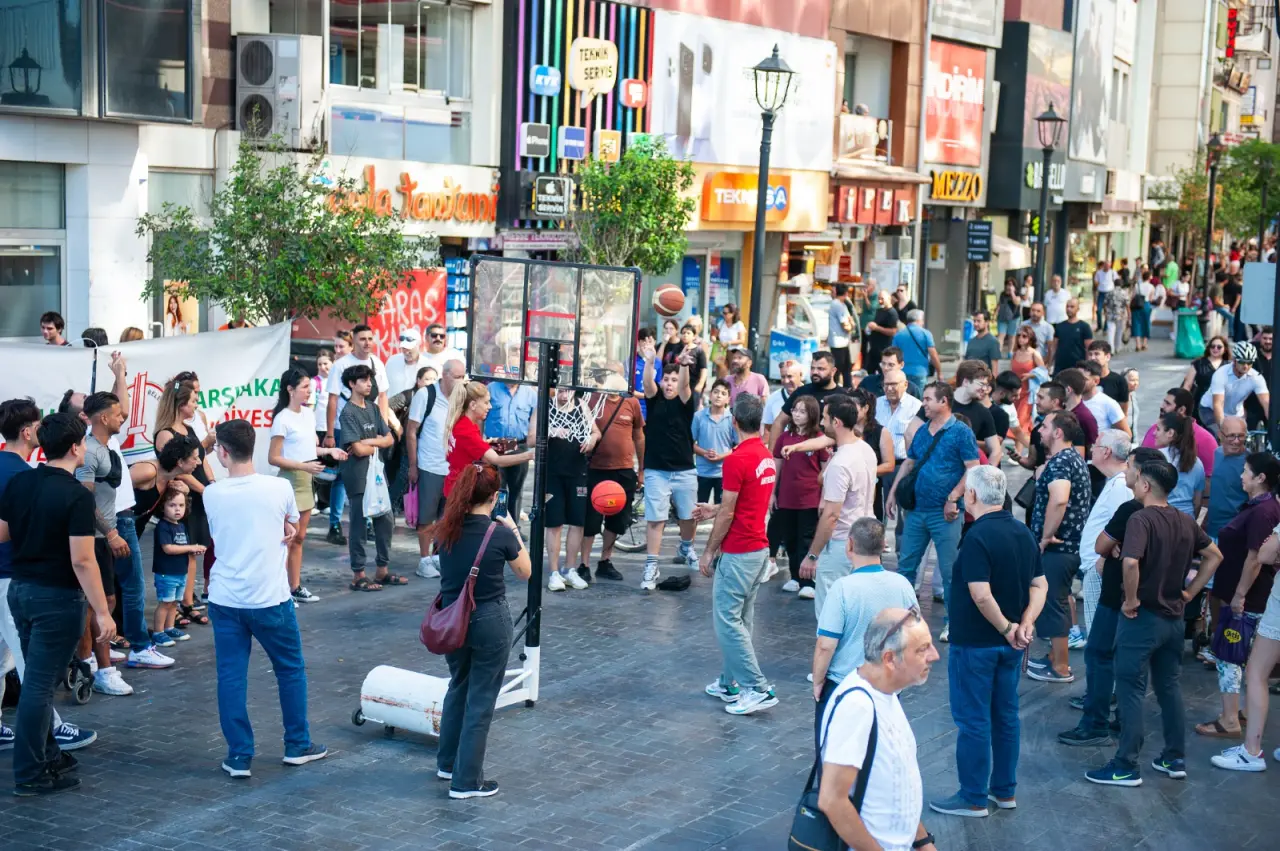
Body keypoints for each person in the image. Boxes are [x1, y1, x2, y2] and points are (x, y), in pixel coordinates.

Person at [1086, 457, 1222, 787]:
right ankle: (1174, 757)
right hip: (1173, 619)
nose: (1129, 477)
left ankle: (1125, 765)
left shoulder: (1141, 519)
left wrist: (1131, 599)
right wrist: (1190, 591)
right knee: (1168, 687)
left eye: (1135, 475)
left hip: (1141, 618)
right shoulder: (1184, 520)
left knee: (1131, 689)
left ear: (1146, 485)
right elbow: (1214, 555)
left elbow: (1130, 561)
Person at [203, 419, 326, 777]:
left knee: (231, 676)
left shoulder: (212, 493)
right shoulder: (278, 489)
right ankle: (297, 743)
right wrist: (284, 528)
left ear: (224, 452)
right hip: (270, 598)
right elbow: (290, 526)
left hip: (226, 598)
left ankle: (239, 754)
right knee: (289, 669)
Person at [0, 413, 115, 796]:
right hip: (55, 597)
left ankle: (46, 757)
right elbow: (83, 560)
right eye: (83, 443)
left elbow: (2, 532)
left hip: (21, 591)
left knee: (37, 680)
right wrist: (102, 612)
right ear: (74, 448)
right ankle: (31, 770)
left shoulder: (20, 481)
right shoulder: (74, 495)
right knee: (39, 686)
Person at [929, 465, 1046, 817]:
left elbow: (980, 594)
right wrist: (1024, 624)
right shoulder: (1022, 532)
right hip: (1010, 647)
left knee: (974, 720)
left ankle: (973, 795)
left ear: (973, 496)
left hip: (978, 644)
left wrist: (1007, 627)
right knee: (1006, 716)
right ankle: (1004, 791)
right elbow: (1039, 585)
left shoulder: (977, 536)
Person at [432, 463, 530, 799]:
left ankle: (447, 764)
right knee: (481, 699)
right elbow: (526, 572)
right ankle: (466, 781)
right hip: (489, 619)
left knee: (458, 687)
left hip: (452, 620)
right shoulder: (499, 533)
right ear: (493, 496)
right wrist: (512, 526)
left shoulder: (445, 530)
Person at [1059, 447, 1160, 748]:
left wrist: (1111, 550)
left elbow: (1105, 544)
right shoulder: (1167, 514)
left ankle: (1095, 723)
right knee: (1129, 665)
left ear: (1141, 476)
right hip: (1143, 601)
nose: (1124, 470)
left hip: (1116, 599)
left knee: (1100, 655)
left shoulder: (1131, 509)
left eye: (1129, 466)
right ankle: (1123, 724)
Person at [817, 608, 940, 851]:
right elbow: (832, 800)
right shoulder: (857, 706)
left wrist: (923, 843)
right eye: (922, 649)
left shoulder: (887, 694)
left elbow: (898, 781)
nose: (934, 655)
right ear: (889, 659)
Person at [694, 394, 778, 715]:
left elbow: (729, 513)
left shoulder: (736, 459)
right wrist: (713, 509)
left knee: (727, 622)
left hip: (739, 552)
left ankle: (757, 687)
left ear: (734, 422)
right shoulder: (765, 456)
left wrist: (708, 552)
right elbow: (745, 501)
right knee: (742, 620)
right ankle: (730, 682)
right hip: (759, 550)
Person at [1196, 453, 1280, 739]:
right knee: (1242, 656)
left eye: (1246, 472)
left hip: (1248, 599)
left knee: (1229, 656)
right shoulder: (1261, 507)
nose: (1241, 476)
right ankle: (1240, 712)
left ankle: (1230, 717)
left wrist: (1240, 595)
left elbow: (1255, 558)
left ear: (1261, 478)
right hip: (1245, 594)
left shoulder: (1263, 511)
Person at [887, 382, 980, 640]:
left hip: (946, 513)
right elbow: (910, 462)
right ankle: (904, 620)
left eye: (928, 399)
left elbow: (972, 468)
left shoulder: (961, 432)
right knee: (906, 567)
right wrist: (893, 492)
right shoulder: (922, 431)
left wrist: (954, 497)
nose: (923, 403)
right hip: (917, 510)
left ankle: (954, 622)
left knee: (950, 572)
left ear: (944, 402)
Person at [812, 518, 917, 721]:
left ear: (850, 544)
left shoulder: (842, 588)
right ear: (883, 545)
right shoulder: (902, 585)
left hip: (845, 686)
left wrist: (817, 681)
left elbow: (826, 645)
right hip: (887, 686)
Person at [75, 392, 144, 696]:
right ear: (103, 418)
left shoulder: (106, 448)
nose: (122, 418)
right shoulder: (89, 451)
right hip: (94, 539)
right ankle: (101, 669)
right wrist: (111, 533)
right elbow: (84, 499)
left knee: (105, 602)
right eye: (117, 414)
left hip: (106, 537)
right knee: (99, 604)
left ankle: (89, 659)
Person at [269, 368, 348, 603]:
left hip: (306, 480)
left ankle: (294, 587)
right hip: (291, 480)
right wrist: (304, 467)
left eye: (310, 388)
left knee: (300, 537)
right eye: (304, 387)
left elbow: (308, 450)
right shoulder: (282, 418)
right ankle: (279, 590)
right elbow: (274, 458)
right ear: (290, 390)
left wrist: (328, 451)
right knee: (287, 538)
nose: (308, 392)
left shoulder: (307, 414)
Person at [1026, 410, 1091, 684]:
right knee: (1059, 601)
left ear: (1058, 432)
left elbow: (1060, 499)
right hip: (1068, 546)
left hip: (1059, 548)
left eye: (1044, 426)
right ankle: (1055, 657)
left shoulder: (1062, 461)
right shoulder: (1071, 458)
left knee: (1054, 603)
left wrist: (1045, 536)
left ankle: (1061, 667)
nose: (1039, 430)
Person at [800, 396, 878, 612]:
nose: (821, 424)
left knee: (830, 614)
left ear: (836, 422)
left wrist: (812, 555)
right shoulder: (866, 450)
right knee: (857, 611)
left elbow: (831, 515)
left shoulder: (841, 462)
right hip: (864, 539)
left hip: (842, 544)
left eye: (825, 418)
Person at [337, 364, 405, 591]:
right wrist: (371, 443)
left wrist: (368, 442)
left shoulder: (373, 409)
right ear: (351, 384)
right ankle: (358, 574)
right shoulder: (348, 412)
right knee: (358, 522)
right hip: (357, 474)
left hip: (376, 472)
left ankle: (382, 570)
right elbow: (357, 450)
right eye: (364, 380)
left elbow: (389, 439)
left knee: (385, 519)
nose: (369, 384)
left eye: (370, 380)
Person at [640, 337, 699, 589]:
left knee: (688, 516)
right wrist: (651, 361)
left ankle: (686, 546)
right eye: (666, 379)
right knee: (656, 518)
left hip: (685, 468)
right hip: (656, 470)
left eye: (673, 380)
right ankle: (651, 565)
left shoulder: (687, 401)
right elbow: (646, 383)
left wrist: (684, 364)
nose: (669, 384)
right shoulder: (655, 399)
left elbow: (686, 387)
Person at [324, 325, 391, 546]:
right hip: (346, 424)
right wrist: (331, 433)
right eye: (362, 339)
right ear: (353, 341)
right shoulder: (341, 365)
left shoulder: (378, 363)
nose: (367, 342)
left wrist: (382, 427)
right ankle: (335, 523)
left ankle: (369, 520)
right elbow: (333, 399)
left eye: (370, 338)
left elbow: (383, 396)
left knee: (372, 473)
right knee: (343, 476)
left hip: (371, 425)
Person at [1074, 431, 1133, 649]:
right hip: (1096, 567)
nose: (1091, 449)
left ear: (1106, 452)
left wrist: (1103, 558)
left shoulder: (1120, 485)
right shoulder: (1116, 482)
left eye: (1096, 445)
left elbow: (1125, 527)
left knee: (1099, 638)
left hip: (1099, 569)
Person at [408, 359, 466, 579]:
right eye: (457, 377)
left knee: (447, 517)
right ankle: (423, 559)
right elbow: (411, 431)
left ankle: (438, 556)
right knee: (427, 516)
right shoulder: (426, 395)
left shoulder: (461, 397)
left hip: (452, 467)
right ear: (445, 374)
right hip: (429, 464)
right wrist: (413, 465)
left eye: (463, 377)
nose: (461, 381)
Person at [581, 387, 645, 583]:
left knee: (617, 521)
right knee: (590, 520)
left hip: (624, 470)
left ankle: (605, 561)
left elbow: (639, 436)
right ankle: (583, 564)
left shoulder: (631, 402)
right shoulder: (592, 399)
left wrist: (641, 469)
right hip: (595, 468)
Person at [771, 395, 829, 595]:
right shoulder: (784, 437)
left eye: (802, 411)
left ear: (812, 414)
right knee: (791, 539)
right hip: (787, 497)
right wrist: (772, 494)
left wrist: (823, 499)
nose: (796, 414)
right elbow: (776, 467)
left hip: (809, 498)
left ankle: (808, 582)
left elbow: (825, 470)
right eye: (795, 410)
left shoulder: (819, 439)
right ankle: (795, 576)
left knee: (806, 539)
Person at [543, 388, 600, 592]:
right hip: (553, 473)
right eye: (561, 389)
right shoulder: (545, 406)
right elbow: (531, 438)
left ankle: (570, 569)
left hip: (577, 472)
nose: (564, 393)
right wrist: (550, 431)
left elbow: (596, 431)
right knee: (554, 523)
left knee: (577, 522)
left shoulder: (581, 405)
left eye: (568, 389)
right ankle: (554, 572)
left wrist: (591, 440)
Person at [443, 382, 534, 502]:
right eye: (486, 402)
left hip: (460, 486)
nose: (490, 406)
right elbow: (496, 460)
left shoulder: (464, 423)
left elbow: (473, 450)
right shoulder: (466, 430)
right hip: (462, 491)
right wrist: (530, 455)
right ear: (473, 405)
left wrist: (510, 444)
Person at [150, 489, 202, 646]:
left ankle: (169, 627)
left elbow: (182, 547)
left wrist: (192, 549)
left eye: (181, 505)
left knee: (174, 603)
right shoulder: (163, 526)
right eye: (172, 505)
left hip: (180, 572)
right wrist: (190, 548)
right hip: (166, 573)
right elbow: (168, 548)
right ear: (162, 507)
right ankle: (158, 632)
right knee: (165, 602)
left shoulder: (181, 526)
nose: (177, 509)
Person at [484, 378, 537, 523]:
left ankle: (514, 529)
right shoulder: (491, 389)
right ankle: (497, 525)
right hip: (495, 445)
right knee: (497, 489)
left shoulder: (530, 394)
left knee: (516, 490)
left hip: (519, 445)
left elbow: (535, 420)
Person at [767, 351, 843, 451]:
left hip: (832, 454)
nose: (815, 372)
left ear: (833, 371)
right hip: (800, 453)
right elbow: (779, 422)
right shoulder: (801, 392)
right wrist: (772, 454)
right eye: (812, 368)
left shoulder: (843, 396)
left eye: (821, 369)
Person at [1140, 387, 1219, 477]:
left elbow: (1210, 478)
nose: (1162, 406)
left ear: (1181, 410)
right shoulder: (1153, 429)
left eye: (1168, 404)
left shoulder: (1206, 440)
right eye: (1164, 402)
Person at [1203, 341, 1269, 433]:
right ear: (1234, 360)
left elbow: (1266, 403)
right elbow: (1218, 405)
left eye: (1249, 362)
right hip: (1209, 409)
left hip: (1236, 412)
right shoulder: (1221, 374)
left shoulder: (1256, 377)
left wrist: (1276, 424)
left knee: (1243, 439)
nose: (1246, 366)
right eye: (1242, 362)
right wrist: (1224, 430)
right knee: (1219, 436)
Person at [1152, 413, 1205, 518]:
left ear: (1170, 433)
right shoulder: (1197, 462)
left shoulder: (1157, 457)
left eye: (1158, 429)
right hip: (1187, 520)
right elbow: (1197, 502)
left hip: (1162, 518)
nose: (1154, 433)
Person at [692, 379, 737, 503]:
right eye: (716, 392)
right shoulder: (698, 416)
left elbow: (739, 447)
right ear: (710, 395)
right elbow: (690, 444)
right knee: (699, 508)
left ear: (728, 399)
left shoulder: (732, 419)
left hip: (724, 473)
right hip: (702, 472)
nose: (718, 396)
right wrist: (704, 452)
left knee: (721, 509)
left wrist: (721, 456)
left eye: (723, 393)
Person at [1206, 418, 1250, 542]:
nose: (1236, 441)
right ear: (1220, 435)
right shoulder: (1215, 453)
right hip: (1211, 529)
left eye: (1240, 436)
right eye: (1231, 436)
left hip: (1235, 532)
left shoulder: (1250, 464)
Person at [1181, 335, 1230, 427]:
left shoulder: (1229, 366)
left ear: (1225, 349)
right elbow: (1187, 385)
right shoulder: (1198, 363)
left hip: (1222, 403)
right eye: (1212, 346)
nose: (1215, 349)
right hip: (1200, 402)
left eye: (1219, 347)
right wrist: (1183, 403)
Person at [1077, 360, 1130, 436]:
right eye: (1077, 378)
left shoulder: (1108, 403)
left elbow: (1126, 434)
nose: (1078, 382)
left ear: (1096, 381)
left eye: (1084, 379)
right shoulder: (1070, 399)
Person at [1009, 325, 1044, 436]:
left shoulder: (1034, 354)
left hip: (1028, 394)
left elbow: (1044, 373)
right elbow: (1012, 372)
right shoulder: (1015, 353)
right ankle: (1022, 450)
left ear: (1030, 338)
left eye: (1024, 336)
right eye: (1019, 335)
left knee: (1021, 424)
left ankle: (1019, 451)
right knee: (1014, 425)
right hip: (1015, 393)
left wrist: (1031, 376)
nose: (1021, 338)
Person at [1053, 368, 1099, 448]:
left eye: (1058, 389)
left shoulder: (1085, 417)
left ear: (1068, 390)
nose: (1055, 393)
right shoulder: (1060, 410)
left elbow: (1093, 448)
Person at [893, 310, 941, 385]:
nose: (923, 323)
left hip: (903, 373)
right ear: (919, 320)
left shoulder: (898, 335)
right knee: (919, 396)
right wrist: (939, 373)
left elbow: (893, 355)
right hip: (920, 372)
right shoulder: (926, 334)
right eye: (922, 320)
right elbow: (933, 355)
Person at [858, 347, 923, 399]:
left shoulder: (912, 389)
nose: (885, 368)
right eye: (883, 364)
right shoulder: (868, 383)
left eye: (891, 365)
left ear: (901, 365)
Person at [1050, 298, 1093, 374]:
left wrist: (1087, 367)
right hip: (1060, 367)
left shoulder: (1084, 327)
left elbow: (1089, 349)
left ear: (1078, 309)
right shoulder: (1059, 326)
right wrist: (1049, 364)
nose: (1069, 309)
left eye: (1072, 307)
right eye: (1067, 306)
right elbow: (1054, 347)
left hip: (1077, 368)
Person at [763, 360, 803, 440]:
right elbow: (768, 428)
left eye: (790, 376)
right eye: (783, 377)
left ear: (800, 375)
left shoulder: (811, 395)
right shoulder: (773, 398)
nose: (786, 381)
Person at [863, 290, 901, 371]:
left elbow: (893, 331)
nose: (880, 301)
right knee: (869, 371)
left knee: (883, 373)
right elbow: (877, 324)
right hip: (874, 348)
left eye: (882, 299)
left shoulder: (892, 313)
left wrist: (877, 328)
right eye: (879, 299)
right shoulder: (879, 310)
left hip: (884, 349)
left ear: (889, 298)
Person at [828, 284, 856, 387]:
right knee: (839, 367)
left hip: (843, 341)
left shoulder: (842, 304)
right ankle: (834, 386)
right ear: (846, 293)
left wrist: (851, 324)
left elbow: (850, 320)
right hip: (838, 342)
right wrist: (852, 327)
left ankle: (848, 386)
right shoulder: (838, 305)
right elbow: (845, 324)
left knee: (847, 367)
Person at [385, 328, 425, 396]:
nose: (407, 352)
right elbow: (383, 388)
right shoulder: (392, 361)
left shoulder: (429, 365)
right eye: (404, 348)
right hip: (392, 405)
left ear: (419, 345)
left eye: (410, 348)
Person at [1104, 275, 1131, 352]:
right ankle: (1117, 347)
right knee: (1119, 331)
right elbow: (1127, 306)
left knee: (1110, 332)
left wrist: (1105, 313)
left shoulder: (1109, 293)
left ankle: (1111, 349)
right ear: (1121, 284)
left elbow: (1105, 304)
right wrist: (1129, 316)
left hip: (1110, 315)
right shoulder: (1124, 293)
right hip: (1120, 315)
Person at [995, 280, 1021, 354]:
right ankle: (998, 352)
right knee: (1001, 335)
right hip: (1002, 317)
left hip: (1014, 318)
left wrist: (1012, 292)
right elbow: (999, 303)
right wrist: (996, 313)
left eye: (1011, 284)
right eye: (1008, 284)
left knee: (1011, 336)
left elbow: (1016, 302)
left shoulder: (1017, 294)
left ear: (1014, 286)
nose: (1009, 286)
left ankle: (1010, 352)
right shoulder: (1002, 294)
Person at [1131, 272, 1154, 351]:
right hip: (1146, 305)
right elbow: (1151, 299)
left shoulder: (1137, 285)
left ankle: (1138, 345)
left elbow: (1133, 296)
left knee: (1136, 324)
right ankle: (1144, 343)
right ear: (1149, 278)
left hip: (1137, 305)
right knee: (1146, 324)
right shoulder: (1151, 286)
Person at [1093, 260, 1115, 332]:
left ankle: (1105, 328)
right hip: (1101, 293)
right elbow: (1096, 281)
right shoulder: (1099, 273)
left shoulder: (1112, 272)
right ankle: (1099, 326)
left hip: (1109, 293)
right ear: (1104, 266)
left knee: (1107, 311)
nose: (1107, 267)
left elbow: (1116, 281)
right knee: (1099, 310)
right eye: (1106, 266)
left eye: (1109, 266)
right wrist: (1098, 285)